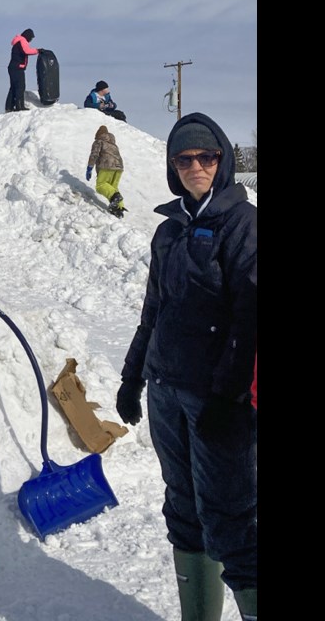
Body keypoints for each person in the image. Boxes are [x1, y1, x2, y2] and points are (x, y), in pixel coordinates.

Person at [115, 113, 257, 621]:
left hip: (217, 401)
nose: (196, 165)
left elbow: (250, 314)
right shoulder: (167, 233)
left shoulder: (243, 224)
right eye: (184, 158)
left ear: (223, 161)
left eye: (206, 156)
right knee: (183, 510)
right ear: (173, 168)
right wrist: (133, 377)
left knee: (232, 521)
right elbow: (153, 310)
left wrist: (227, 396)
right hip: (167, 392)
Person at [86, 125, 126, 217]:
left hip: (106, 165)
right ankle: (119, 208)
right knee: (113, 187)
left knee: (101, 185)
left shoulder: (99, 141)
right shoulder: (113, 144)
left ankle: (116, 197)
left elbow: (94, 154)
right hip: (119, 167)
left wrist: (89, 167)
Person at [6, 28, 39, 112]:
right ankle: (19, 106)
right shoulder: (22, 40)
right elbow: (26, 51)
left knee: (13, 87)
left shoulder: (18, 41)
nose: (31, 40)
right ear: (27, 36)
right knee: (20, 87)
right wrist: (38, 50)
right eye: (31, 38)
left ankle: (9, 107)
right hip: (18, 68)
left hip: (13, 67)